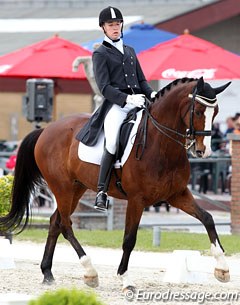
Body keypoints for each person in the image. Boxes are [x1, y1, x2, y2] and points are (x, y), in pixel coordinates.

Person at [76, 6, 157, 211]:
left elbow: (142, 79)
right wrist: (127, 99)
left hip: (140, 102)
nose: (115, 27)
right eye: (111, 24)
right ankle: (102, 192)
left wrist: (153, 95)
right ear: (103, 27)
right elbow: (104, 88)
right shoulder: (100, 53)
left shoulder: (129, 51)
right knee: (111, 142)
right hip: (117, 106)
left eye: (118, 24)